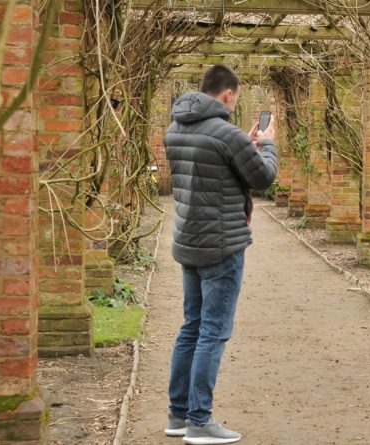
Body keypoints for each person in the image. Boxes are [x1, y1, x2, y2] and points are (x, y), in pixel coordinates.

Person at [163, 64, 278, 444]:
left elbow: (212, 168)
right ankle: (200, 420)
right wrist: (268, 145)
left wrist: (243, 145)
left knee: (191, 326)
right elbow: (261, 178)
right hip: (221, 245)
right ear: (227, 94)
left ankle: (178, 415)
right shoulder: (227, 135)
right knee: (213, 330)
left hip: (189, 241)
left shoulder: (175, 129)